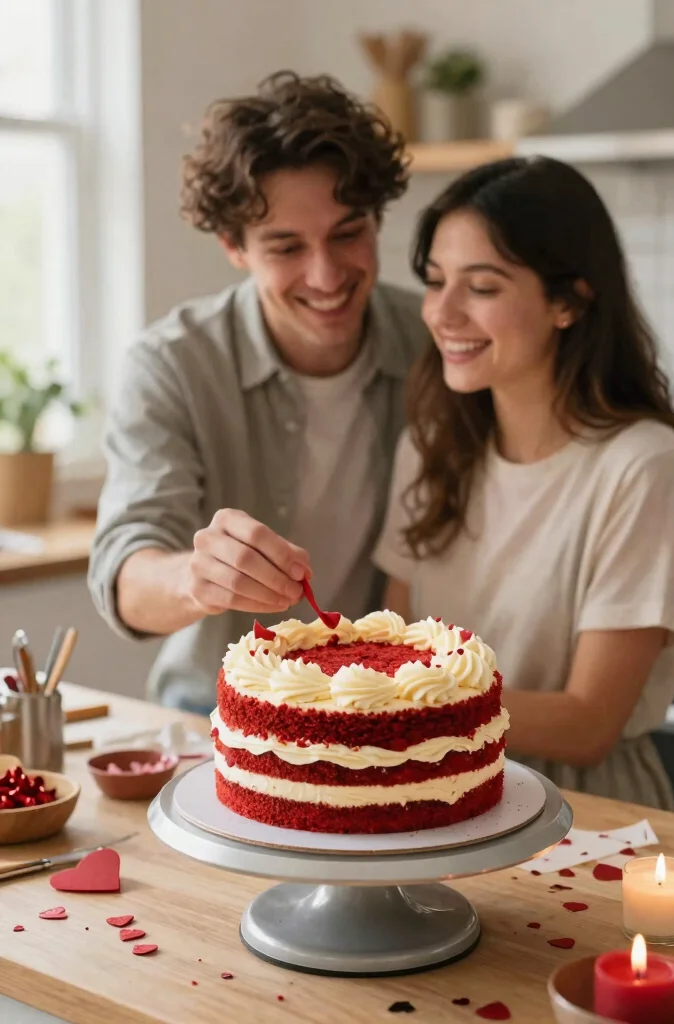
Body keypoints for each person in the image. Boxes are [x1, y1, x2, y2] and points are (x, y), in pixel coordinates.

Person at [88, 71, 429, 714]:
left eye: (347, 232)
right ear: (233, 247)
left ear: (377, 219)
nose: (326, 274)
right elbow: (125, 575)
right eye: (286, 246)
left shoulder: (434, 345)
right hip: (211, 716)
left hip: (382, 709)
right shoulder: (172, 365)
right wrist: (197, 579)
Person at [374, 156, 674, 809]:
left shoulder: (642, 466)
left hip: (582, 817)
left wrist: (394, 705)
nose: (442, 312)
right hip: (431, 797)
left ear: (569, 301)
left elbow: (587, 724)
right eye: (437, 281)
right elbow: (396, 645)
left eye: (483, 287)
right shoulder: (431, 446)